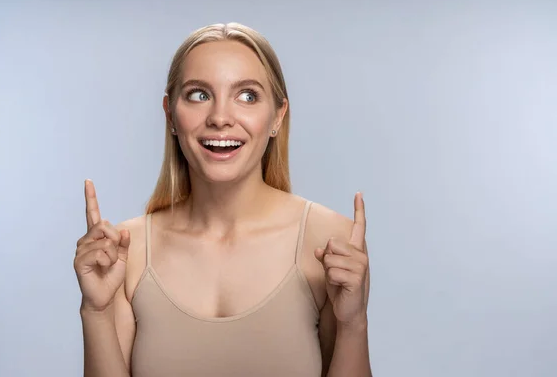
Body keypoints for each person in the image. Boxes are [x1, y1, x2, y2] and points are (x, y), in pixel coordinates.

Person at [73, 22, 372, 377]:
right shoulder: (125, 252)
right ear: (170, 114)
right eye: (199, 94)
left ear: (278, 115)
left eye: (247, 95)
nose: (219, 118)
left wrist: (354, 323)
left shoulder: (329, 240)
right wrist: (95, 311)